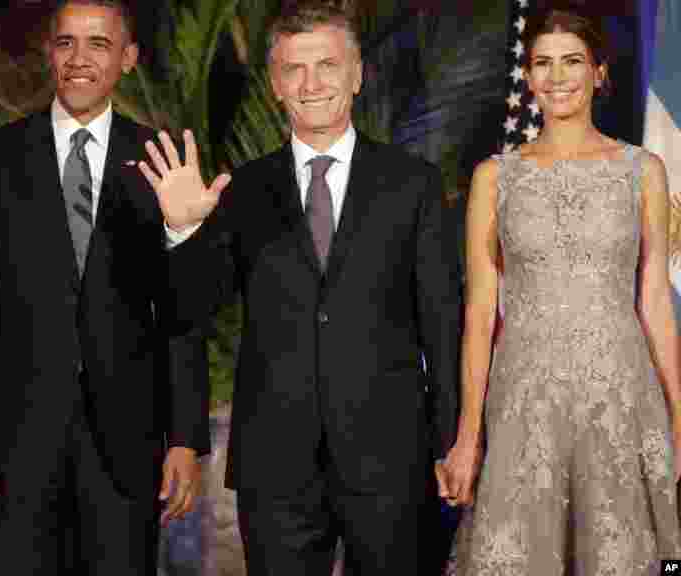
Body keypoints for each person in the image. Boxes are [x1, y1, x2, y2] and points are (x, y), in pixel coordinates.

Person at [140, 1, 462, 574]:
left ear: (357, 75)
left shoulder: (412, 184)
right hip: (276, 464)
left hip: (391, 458)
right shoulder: (241, 190)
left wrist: (452, 442)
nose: (312, 83)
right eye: (294, 69)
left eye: (328, 66)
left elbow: (442, 324)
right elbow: (188, 309)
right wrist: (184, 228)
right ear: (275, 85)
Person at [0, 0, 210, 574]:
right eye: (66, 43)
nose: (79, 59)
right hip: (13, 442)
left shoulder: (163, 159)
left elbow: (181, 316)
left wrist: (184, 437)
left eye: (99, 44)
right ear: (48, 53)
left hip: (128, 445)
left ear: (129, 59)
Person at [441, 5, 681, 573]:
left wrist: (680, 416)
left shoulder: (642, 170)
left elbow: (653, 302)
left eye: (572, 61)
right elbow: (479, 313)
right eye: (543, 63)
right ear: (528, 76)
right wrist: (467, 435)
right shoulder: (494, 177)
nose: (557, 77)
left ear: (599, 72)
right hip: (525, 402)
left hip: (620, 399)